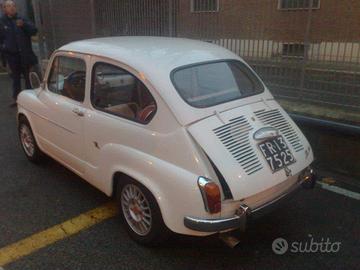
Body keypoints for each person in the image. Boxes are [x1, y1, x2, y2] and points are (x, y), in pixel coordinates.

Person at [0, 0, 38, 107]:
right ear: (4, 9)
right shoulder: (2, 22)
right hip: (12, 56)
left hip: (25, 55)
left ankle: (30, 100)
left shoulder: (22, 19)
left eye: (13, 6)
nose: (11, 8)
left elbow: (34, 31)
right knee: (15, 79)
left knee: (28, 78)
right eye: (8, 6)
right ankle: (16, 99)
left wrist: (24, 25)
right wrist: (4, 50)